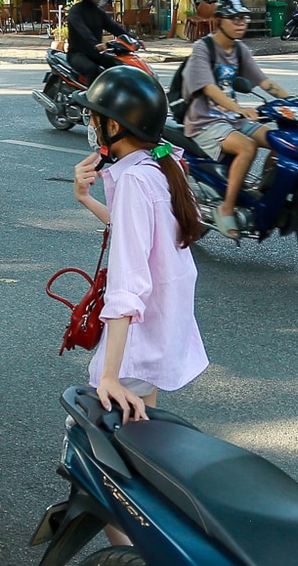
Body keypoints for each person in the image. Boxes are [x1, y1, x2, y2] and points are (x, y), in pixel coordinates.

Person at [71, 65, 207, 461]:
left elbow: (128, 284)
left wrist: (109, 376)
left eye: (96, 117)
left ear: (113, 127)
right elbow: (140, 236)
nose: (91, 123)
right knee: (138, 460)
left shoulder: (132, 181)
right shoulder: (158, 167)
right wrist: (85, 198)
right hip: (161, 335)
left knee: (103, 470)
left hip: (134, 344)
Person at [178, 0, 290, 238]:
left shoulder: (240, 50)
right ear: (220, 20)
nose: (242, 23)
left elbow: (262, 80)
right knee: (247, 147)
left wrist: (290, 100)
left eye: (244, 18)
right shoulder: (203, 48)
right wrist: (239, 109)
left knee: (282, 142)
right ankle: (227, 207)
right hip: (204, 121)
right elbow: (209, 88)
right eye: (235, 18)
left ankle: (258, 193)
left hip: (231, 119)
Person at [65, 0, 131, 79]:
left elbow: (113, 27)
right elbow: (82, 29)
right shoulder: (75, 11)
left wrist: (132, 39)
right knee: (91, 68)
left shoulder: (98, 12)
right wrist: (95, 43)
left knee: (118, 66)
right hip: (77, 54)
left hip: (95, 53)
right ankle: (90, 95)